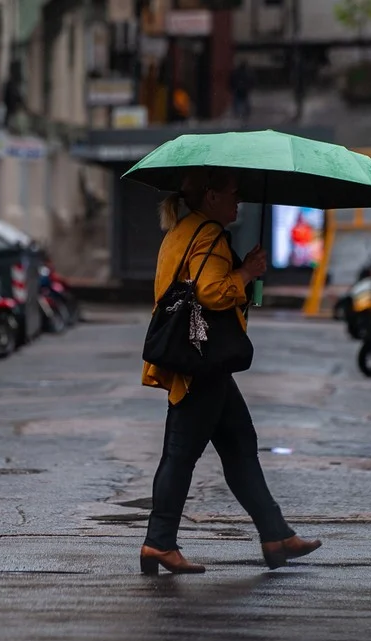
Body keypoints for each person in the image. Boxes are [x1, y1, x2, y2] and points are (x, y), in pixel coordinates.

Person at [139, 167, 321, 574]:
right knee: (181, 453)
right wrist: (245, 273)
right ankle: (158, 543)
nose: (239, 201)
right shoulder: (208, 234)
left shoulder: (183, 229)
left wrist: (244, 273)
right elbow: (212, 293)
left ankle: (276, 535)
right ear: (212, 197)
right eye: (233, 194)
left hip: (199, 359)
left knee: (240, 443)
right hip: (201, 362)